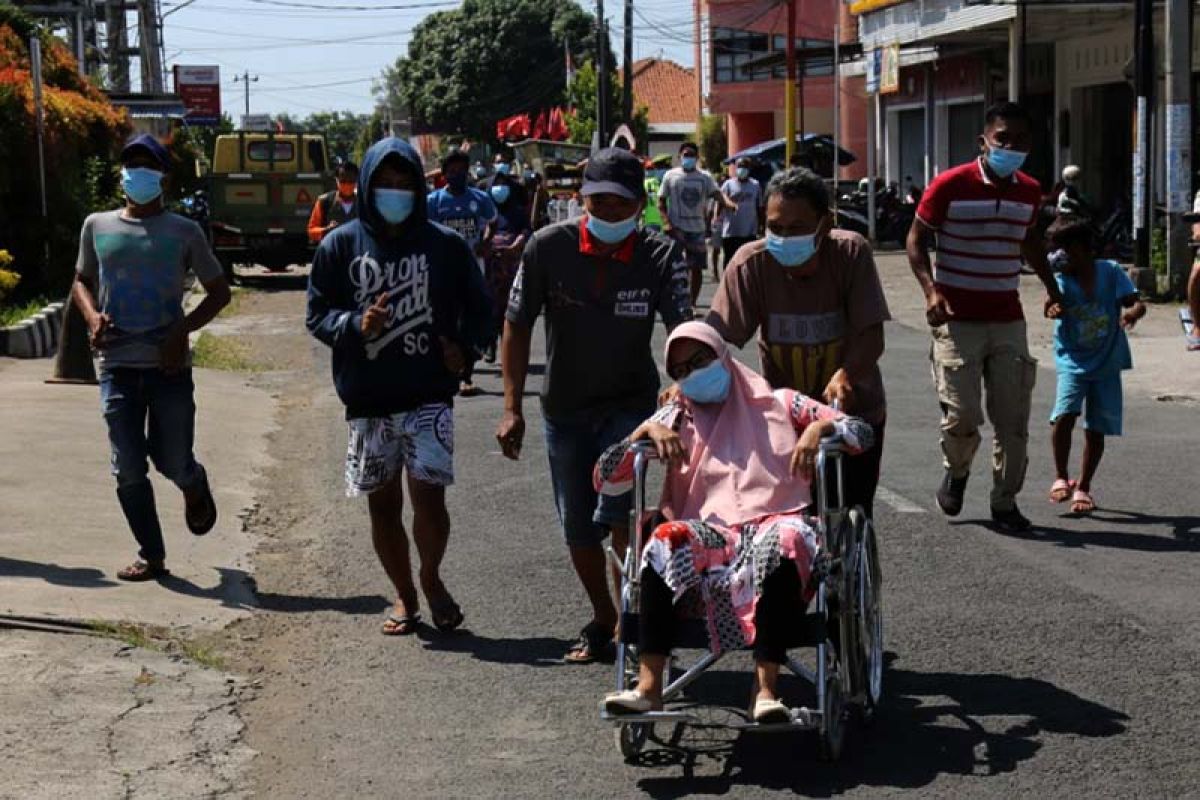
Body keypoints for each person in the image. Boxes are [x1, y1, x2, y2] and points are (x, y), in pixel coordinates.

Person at [599, 322, 874, 720]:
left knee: (786, 540)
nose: (691, 375)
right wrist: (643, 432)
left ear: (723, 357)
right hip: (709, 533)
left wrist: (821, 426)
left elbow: (861, 433)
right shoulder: (677, 414)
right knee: (663, 539)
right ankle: (647, 687)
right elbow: (605, 478)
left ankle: (765, 692)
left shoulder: (780, 403)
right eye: (680, 371)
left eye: (699, 362)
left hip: (775, 519)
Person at [497, 147, 691, 664]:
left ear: (638, 207)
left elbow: (683, 330)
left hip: (630, 410)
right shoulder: (546, 248)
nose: (606, 213)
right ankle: (605, 616)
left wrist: (684, 384)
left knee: (624, 517)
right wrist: (511, 405)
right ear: (582, 199)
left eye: (619, 204)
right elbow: (516, 325)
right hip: (564, 409)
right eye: (597, 202)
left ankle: (639, 619)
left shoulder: (661, 254)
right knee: (579, 525)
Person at [306, 137, 492, 635]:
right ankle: (405, 595)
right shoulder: (339, 244)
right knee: (382, 505)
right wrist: (353, 325)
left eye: (403, 183)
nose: (394, 192)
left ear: (417, 187)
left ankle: (431, 578)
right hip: (367, 401)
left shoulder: (445, 246)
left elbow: (482, 312)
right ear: (366, 186)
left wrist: (465, 350)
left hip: (428, 395)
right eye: (384, 184)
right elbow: (317, 314)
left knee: (430, 500)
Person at [70, 133, 230, 581]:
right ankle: (152, 554)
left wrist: (182, 329)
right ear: (122, 175)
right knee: (127, 467)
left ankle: (193, 482)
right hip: (116, 366)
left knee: (171, 459)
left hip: (169, 369)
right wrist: (92, 317)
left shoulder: (184, 231)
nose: (136, 172)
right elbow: (80, 280)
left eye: (147, 165)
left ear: (163, 177)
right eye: (130, 164)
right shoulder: (97, 226)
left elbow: (220, 292)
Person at [906, 101, 1066, 533]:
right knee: (962, 415)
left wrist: (1053, 291)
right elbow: (916, 240)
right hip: (957, 320)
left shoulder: (1030, 190)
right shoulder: (949, 185)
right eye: (1002, 139)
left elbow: (1029, 243)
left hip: (1007, 318)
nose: (1010, 147)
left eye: (1020, 141)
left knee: (1012, 420)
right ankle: (957, 473)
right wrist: (931, 290)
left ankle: (1004, 501)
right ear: (984, 141)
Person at [707, 168, 890, 516]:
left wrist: (846, 374)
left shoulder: (850, 253)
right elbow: (715, 338)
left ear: (825, 223)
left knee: (852, 509)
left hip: (853, 411)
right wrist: (689, 378)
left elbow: (871, 334)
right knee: (787, 519)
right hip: (782, 417)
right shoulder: (751, 264)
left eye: (796, 228)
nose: (784, 238)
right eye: (776, 228)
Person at [1044, 216, 1145, 514]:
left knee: (1096, 427)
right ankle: (1061, 476)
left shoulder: (1111, 272)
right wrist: (1053, 308)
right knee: (1065, 414)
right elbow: (1049, 305)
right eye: (1055, 249)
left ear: (1085, 248)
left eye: (1065, 248)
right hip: (1072, 360)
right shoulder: (1060, 279)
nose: (1058, 256)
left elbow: (1136, 302)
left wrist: (1132, 315)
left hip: (1107, 361)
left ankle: (1084, 487)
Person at [427, 150, 499, 397]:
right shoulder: (433, 202)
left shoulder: (479, 198)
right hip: (444, 269)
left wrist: (486, 242)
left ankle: (467, 373)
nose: (456, 175)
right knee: (447, 318)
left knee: (471, 318)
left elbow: (493, 221)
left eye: (461, 170)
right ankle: (448, 370)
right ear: (444, 173)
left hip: (472, 267)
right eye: (452, 171)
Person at [659, 141, 737, 308]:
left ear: (697, 157)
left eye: (692, 155)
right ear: (680, 156)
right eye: (686, 155)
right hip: (676, 228)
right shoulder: (670, 176)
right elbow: (661, 201)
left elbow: (717, 194)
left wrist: (729, 204)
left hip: (697, 229)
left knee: (696, 268)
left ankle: (692, 302)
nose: (689, 158)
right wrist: (666, 223)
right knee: (677, 267)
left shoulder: (705, 177)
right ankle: (676, 301)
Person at [481, 170, 531, 363]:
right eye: (496, 184)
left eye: (503, 184)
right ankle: (489, 345)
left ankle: (507, 349)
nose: (499, 188)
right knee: (489, 306)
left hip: (510, 266)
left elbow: (526, 231)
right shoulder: (486, 211)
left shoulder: (517, 212)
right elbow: (480, 232)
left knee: (509, 308)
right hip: (490, 266)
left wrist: (515, 245)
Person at [716, 156, 764, 268]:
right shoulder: (728, 184)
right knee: (729, 260)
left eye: (745, 166)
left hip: (749, 231)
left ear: (749, 168)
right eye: (740, 166)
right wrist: (717, 220)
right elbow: (720, 203)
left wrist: (762, 225)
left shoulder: (755, 185)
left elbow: (760, 206)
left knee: (748, 262)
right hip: (731, 231)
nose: (742, 169)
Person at [307, 161, 359, 244]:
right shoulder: (324, 202)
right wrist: (326, 230)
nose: (347, 185)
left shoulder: (364, 203)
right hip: (332, 251)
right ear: (337, 180)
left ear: (356, 181)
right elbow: (311, 231)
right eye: (343, 181)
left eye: (351, 181)